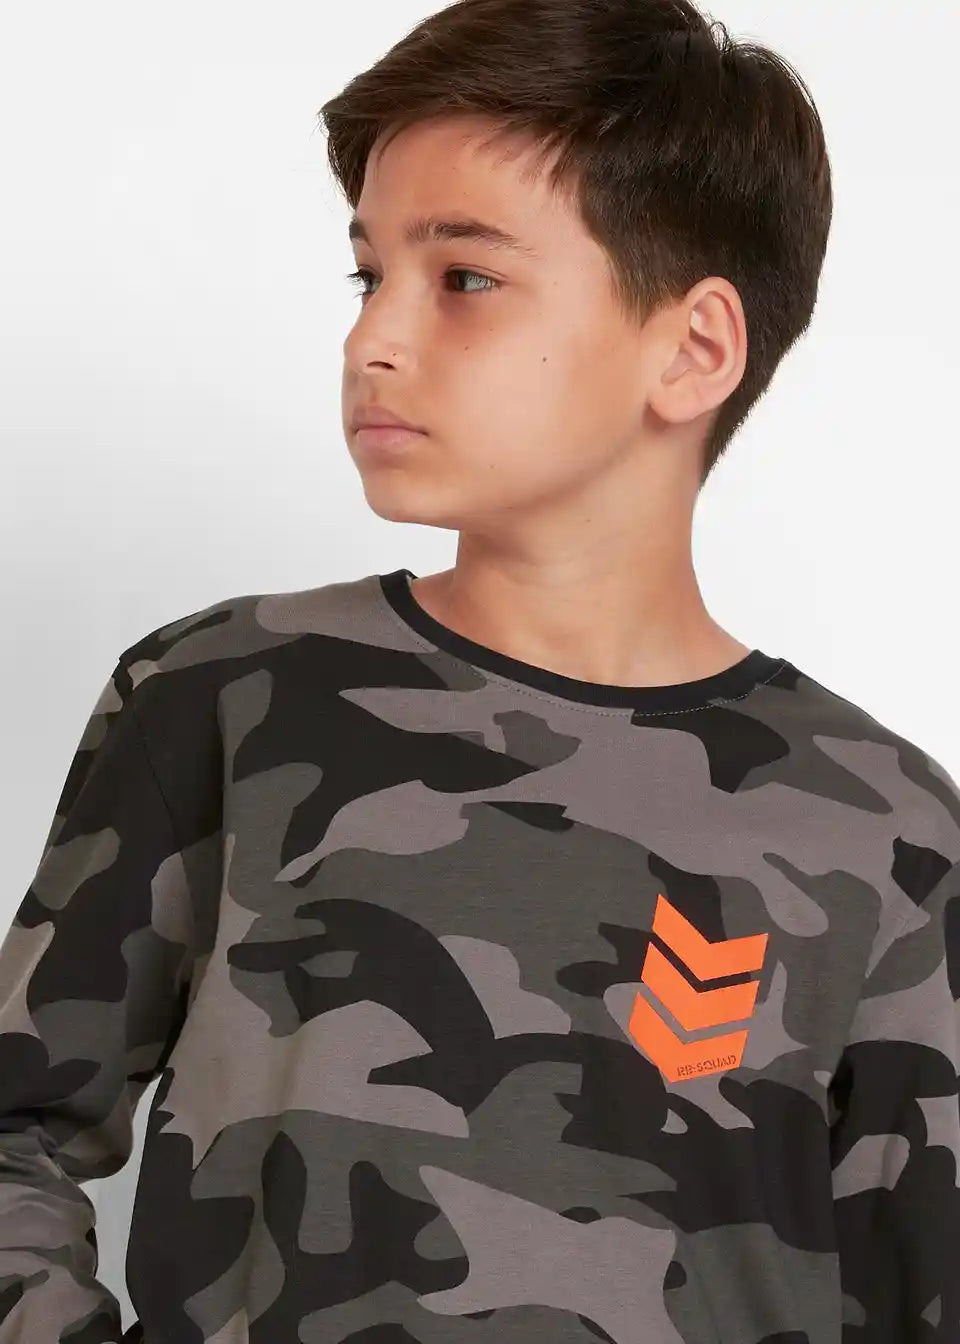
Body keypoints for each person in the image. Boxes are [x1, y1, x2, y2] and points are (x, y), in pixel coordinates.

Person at [1, 0, 957, 1339]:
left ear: (693, 349)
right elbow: (17, 1132)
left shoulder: (885, 832)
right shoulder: (223, 699)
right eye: (368, 277)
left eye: (464, 278)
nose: (374, 340)